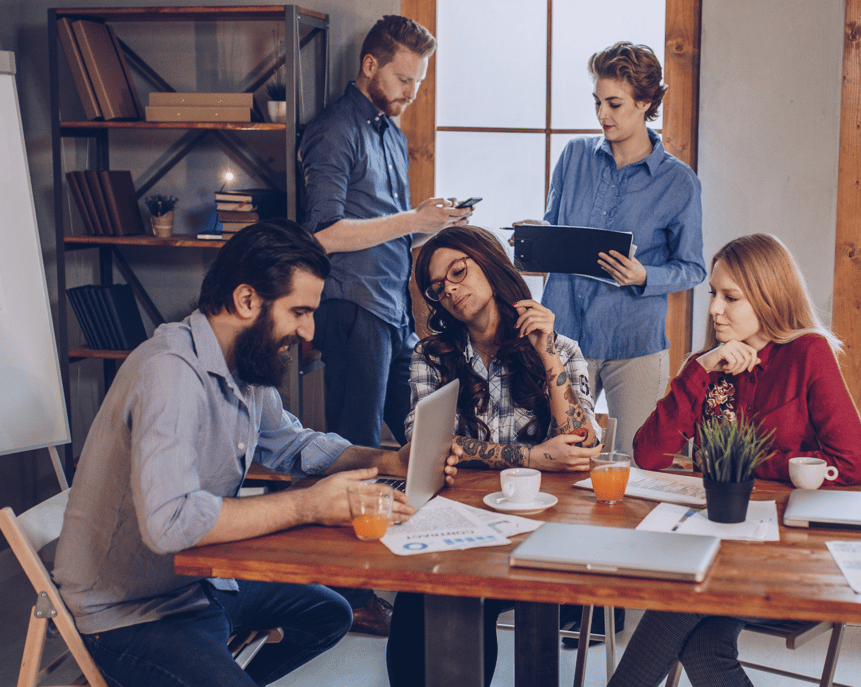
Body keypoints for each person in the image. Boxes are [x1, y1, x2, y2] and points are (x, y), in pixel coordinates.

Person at [52, 220, 456, 687]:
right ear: (247, 300)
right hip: (129, 611)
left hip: (196, 586)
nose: (308, 331)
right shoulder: (170, 373)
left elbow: (296, 445)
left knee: (330, 613)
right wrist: (307, 505)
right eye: (300, 311)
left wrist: (389, 462)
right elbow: (171, 523)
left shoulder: (241, 364)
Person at [608, 233, 861, 687]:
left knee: (678, 604)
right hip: (714, 539)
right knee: (706, 648)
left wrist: (742, 465)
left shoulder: (808, 354)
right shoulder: (709, 366)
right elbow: (648, 455)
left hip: (783, 551)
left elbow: (850, 464)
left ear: (769, 296)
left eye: (730, 297)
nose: (714, 309)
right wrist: (699, 370)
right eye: (713, 293)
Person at [299, 13, 472, 632]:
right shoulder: (335, 131)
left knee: (415, 438)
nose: (410, 92)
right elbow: (323, 232)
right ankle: (348, 595)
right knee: (354, 444)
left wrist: (428, 224)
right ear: (369, 66)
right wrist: (412, 223)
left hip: (392, 308)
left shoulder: (391, 133)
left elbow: (390, 222)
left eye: (419, 83)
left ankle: (407, 565)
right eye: (403, 78)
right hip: (350, 306)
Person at [385, 225, 602, 687]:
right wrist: (535, 457)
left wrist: (545, 354)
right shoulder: (432, 355)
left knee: (477, 591)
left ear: (490, 262)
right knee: (428, 596)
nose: (451, 290)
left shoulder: (561, 348)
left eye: (458, 271)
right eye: (438, 288)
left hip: (545, 529)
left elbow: (582, 446)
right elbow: (426, 448)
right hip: (462, 524)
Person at [531, 41, 705, 460]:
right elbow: (554, 228)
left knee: (637, 462)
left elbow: (694, 267)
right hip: (565, 335)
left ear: (645, 102)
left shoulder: (679, 182)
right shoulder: (574, 156)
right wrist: (535, 238)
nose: (602, 115)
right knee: (562, 456)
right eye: (597, 103)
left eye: (614, 104)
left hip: (636, 342)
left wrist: (644, 276)